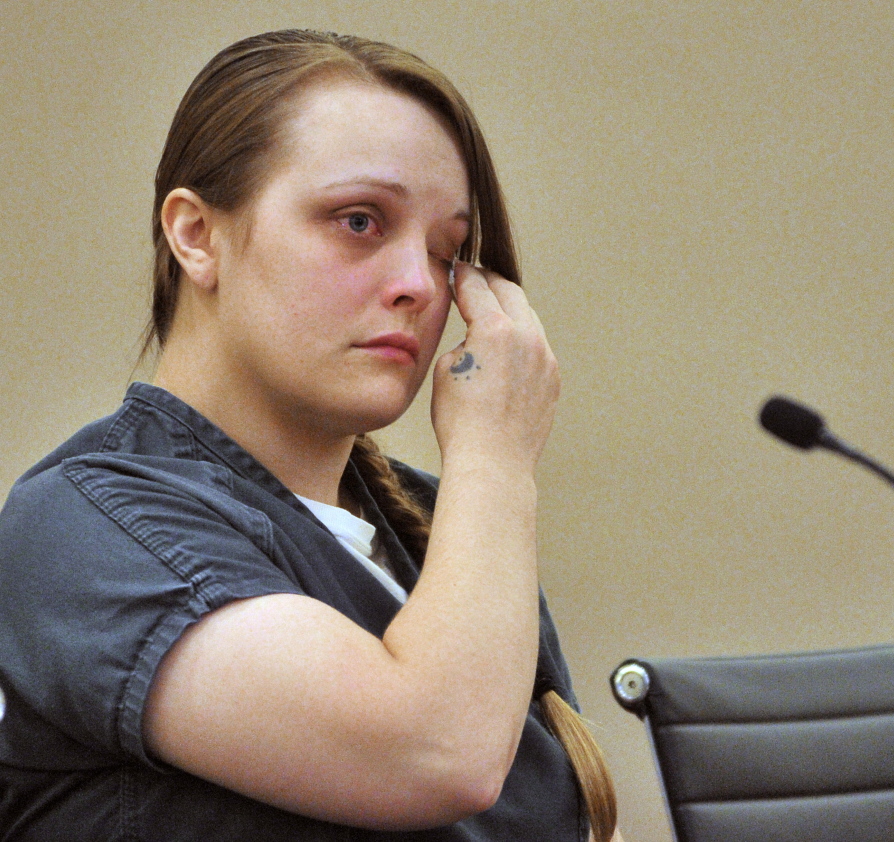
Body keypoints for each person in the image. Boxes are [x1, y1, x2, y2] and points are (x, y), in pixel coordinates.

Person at [0, 29, 620, 842]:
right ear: (195, 234)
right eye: (359, 220)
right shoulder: (79, 525)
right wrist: (498, 454)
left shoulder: (441, 525)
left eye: (446, 252)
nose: (416, 288)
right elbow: (436, 755)